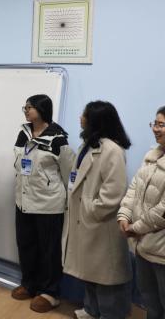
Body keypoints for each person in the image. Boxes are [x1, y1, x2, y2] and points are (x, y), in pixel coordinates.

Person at [61, 100, 133, 319]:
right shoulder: (88, 145)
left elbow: (114, 190)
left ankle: (111, 315)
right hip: (85, 220)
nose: (81, 118)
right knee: (90, 271)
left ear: (96, 120)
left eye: (84, 115)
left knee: (107, 276)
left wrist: (92, 209)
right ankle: (92, 311)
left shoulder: (112, 150)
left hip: (101, 222)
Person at [10, 94, 74, 313]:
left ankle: (50, 292)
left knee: (49, 251)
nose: (26, 110)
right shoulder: (24, 133)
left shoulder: (58, 139)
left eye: (30, 107)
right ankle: (29, 283)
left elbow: (69, 174)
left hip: (48, 204)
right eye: (25, 107)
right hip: (23, 200)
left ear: (42, 110)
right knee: (26, 245)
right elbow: (18, 160)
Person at [119, 107, 165, 319]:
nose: (155, 129)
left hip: (160, 249)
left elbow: (162, 211)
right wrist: (123, 216)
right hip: (143, 244)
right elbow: (133, 190)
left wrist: (135, 227)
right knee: (150, 301)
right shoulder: (151, 156)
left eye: (161, 125)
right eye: (154, 124)